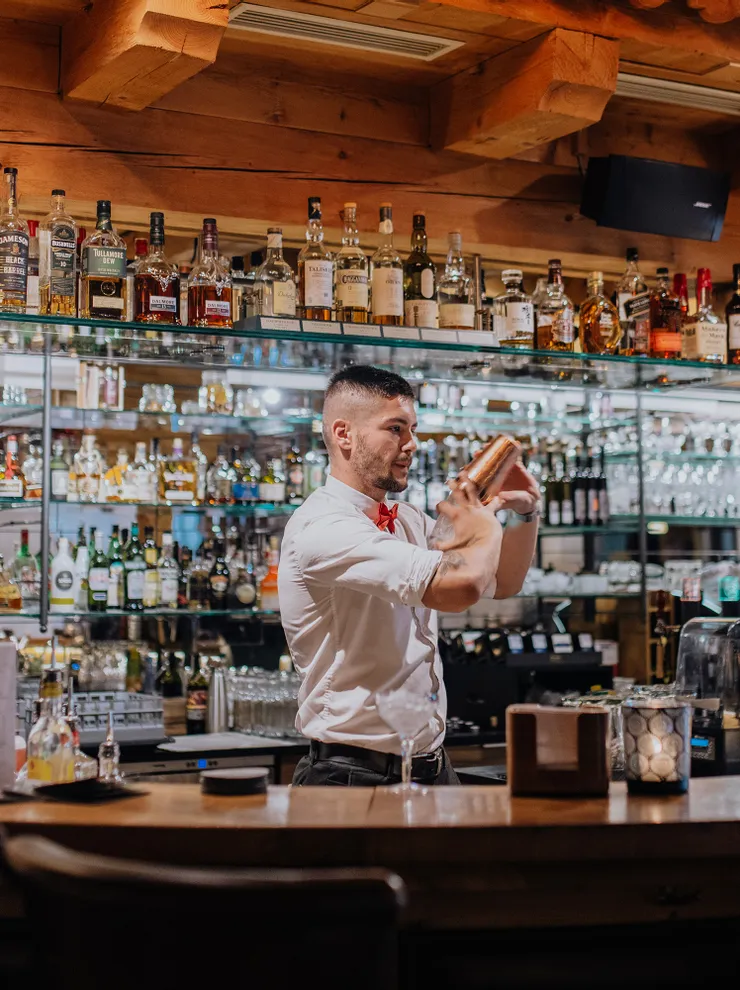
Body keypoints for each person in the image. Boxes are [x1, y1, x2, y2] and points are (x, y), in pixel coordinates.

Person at [278, 365, 539, 786]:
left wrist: (525, 511)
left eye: (413, 429)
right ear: (344, 434)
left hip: (432, 764)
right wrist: (482, 522)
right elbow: (458, 589)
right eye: (395, 429)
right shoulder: (322, 527)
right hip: (350, 774)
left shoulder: (408, 519)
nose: (411, 444)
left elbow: (504, 582)